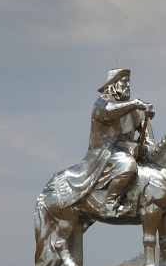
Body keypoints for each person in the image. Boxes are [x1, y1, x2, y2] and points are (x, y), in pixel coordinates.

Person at [52, 68, 156, 217]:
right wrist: (136, 103)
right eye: (124, 82)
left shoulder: (133, 110)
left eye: (129, 82)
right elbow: (110, 111)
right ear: (112, 84)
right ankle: (110, 203)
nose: (128, 86)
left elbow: (148, 136)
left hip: (130, 150)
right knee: (128, 165)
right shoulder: (102, 103)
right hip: (107, 152)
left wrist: (148, 147)